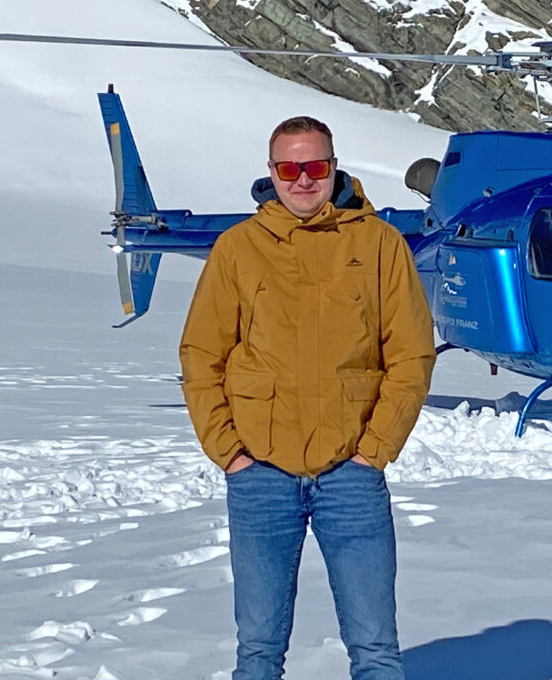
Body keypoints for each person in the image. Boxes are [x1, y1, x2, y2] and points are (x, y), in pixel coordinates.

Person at [179, 116, 435, 680]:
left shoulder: (379, 245)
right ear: (271, 174)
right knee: (259, 651)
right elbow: (202, 356)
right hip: (261, 477)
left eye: (314, 167)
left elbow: (411, 356)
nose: (302, 180)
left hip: (352, 475)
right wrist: (232, 455)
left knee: (375, 650)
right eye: (289, 168)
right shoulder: (238, 249)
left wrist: (374, 451)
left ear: (333, 168)